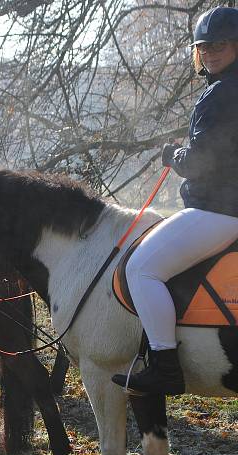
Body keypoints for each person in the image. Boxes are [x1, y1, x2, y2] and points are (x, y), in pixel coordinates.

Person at [112, 6, 238, 395]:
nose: (211, 52)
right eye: (204, 46)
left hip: (217, 210)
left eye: (219, 44)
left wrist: (172, 155)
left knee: (140, 270)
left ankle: (165, 366)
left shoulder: (220, 94)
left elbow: (200, 163)